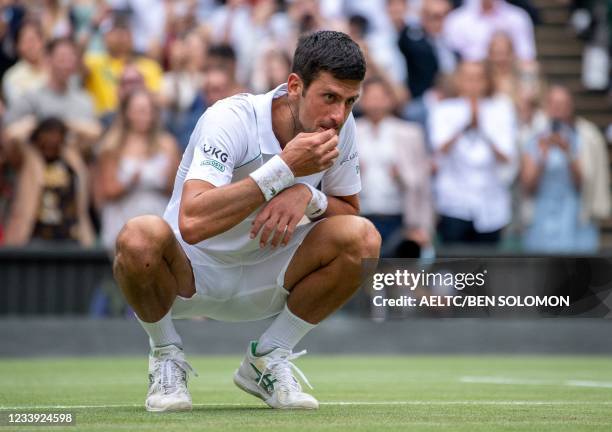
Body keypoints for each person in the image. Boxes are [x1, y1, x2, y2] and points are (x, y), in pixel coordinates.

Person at [113, 30, 380, 412]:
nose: (338, 115)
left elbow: (348, 209)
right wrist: (283, 171)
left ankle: (269, 356)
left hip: (270, 276)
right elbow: (192, 220)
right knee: (139, 235)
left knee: (363, 239)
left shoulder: (340, 128)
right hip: (189, 276)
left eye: (350, 101)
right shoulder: (230, 118)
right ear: (294, 86)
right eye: (330, 97)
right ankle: (165, 353)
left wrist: (309, 196)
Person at [429, 61, 517, 245]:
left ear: (487, 81)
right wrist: (465, 123)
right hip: (454, 203)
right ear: (458, 81)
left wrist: (482, 126)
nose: (473, 84)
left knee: (485, 270)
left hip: (491, 206)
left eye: (478, 79)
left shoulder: (501, 109)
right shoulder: (443, 109)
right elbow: (439, 149)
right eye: (468, 79)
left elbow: (507, 155)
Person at [521, 85, 610, 253]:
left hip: (575, 216)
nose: (558, 109)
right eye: (554, 104)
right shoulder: (535, 138)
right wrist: (542, 158)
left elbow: (584, 183)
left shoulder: (586, 137)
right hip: (542, 216)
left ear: (571, 106)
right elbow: (528, 186)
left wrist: (567, 153)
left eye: (562, 104)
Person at [356, 76, 433, 256]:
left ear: (390, 99)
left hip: (398, 215)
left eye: (380, 97)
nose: (375, 102)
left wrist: (423, 227)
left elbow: (423, 184)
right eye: (370, 97)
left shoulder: (409, 133)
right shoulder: (350, 131)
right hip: (362, 213)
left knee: (397, 275)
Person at [97, 89, 180, 252]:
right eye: (139, 110)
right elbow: (107, 190)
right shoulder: (112, 145)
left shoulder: (168, 144)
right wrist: (130, 182)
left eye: (148, 110)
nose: (144, 115)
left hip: (159, 216)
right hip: (123, 217)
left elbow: (177, 188)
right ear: (127, 113)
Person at [4, 117, 94, 246]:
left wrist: (65, 123)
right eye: (47, 134)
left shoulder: (72, 155)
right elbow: (10, 136)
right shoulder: (27, 158)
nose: (52, 140)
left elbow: (95, 133)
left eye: (56, 134)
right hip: (34, 236)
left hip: (70, 234)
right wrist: (36, 123)